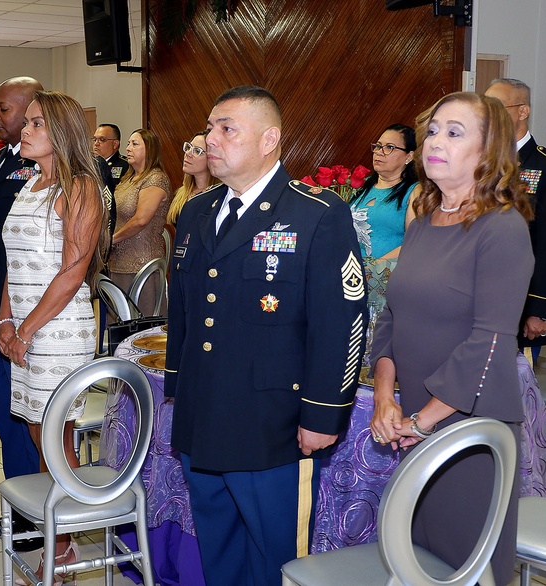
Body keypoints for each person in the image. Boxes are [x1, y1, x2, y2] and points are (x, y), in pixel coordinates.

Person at [164, 86, 367, 585]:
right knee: (219, 547)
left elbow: (341, 321)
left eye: (226, 128)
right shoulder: (197, 210)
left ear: (269, 138)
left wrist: (323, 412)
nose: (210, 138)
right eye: (210, 127)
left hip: (272, 424)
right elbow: (185, 310)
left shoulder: (315, 213)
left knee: (276, 557)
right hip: (204, 414)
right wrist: (177, 385)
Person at [368, 92, 535, 586]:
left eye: (455, 132)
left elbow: (488, 341)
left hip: (469, 429)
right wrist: (384, 397)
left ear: (488, 152)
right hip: (419, 420)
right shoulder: (422, 221)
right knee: (417, 557)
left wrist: (421, 422)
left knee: (464, 567)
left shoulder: (502, 229)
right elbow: (391, 317)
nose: (436, 140)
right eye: (434, 130)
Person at [0, 90, 109, 585]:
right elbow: (12, 267)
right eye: (28, 123)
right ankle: (57, 537)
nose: (25, 129)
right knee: (37, 431)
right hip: (26, 327)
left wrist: (25, 328)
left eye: (37, 123)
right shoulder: (29, 183)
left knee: (54, 436)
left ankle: (60, 546)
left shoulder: (80, 187)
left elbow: (72, 271)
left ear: (61, 132)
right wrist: (5, 321)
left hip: (59, 330)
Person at [0, 76, 43, 551]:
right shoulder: (3, 156)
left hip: (27, 312)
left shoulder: (51, 167)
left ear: (30, 108)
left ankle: (37, 516)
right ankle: (20, 506)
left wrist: (20, 319)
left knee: (29, 418)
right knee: (5, 414)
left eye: (3, 108)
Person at [484, 78, 546, 362]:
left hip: (518, 303)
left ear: (522, 111)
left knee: (511, 394)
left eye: (497, 107)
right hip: (474, 298)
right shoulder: (478, 163)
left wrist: (541, 309)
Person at [348, 123, 419, 309]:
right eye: (378, 146)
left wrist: (373, 267)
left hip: (387, 283)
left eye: (389, 147)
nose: (379, 152)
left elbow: (417, 242)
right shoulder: (363, 189)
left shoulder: (414, 191)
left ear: (409, 156)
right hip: (352, 281)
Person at [109, 128, 170, 315]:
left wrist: (112, 239)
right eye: (128, 143)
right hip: (118, 261)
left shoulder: (156, 178)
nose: (128, 148)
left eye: (135, 144)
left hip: (142, 262)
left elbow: (141, 219)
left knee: (143, 324)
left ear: (149, 149)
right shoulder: (128, 179)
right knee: (120, 324)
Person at [166, 131, 220, 226]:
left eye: (197, 151)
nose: (188, 153)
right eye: (189, 147)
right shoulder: (181, 193)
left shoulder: (219, 195)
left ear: (211, 158)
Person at [92, 123, 129, 193]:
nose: (96, 144)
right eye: (94, 139)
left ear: (115, 144)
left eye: (102, 139)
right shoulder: (90, 165)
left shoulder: (126, 165)